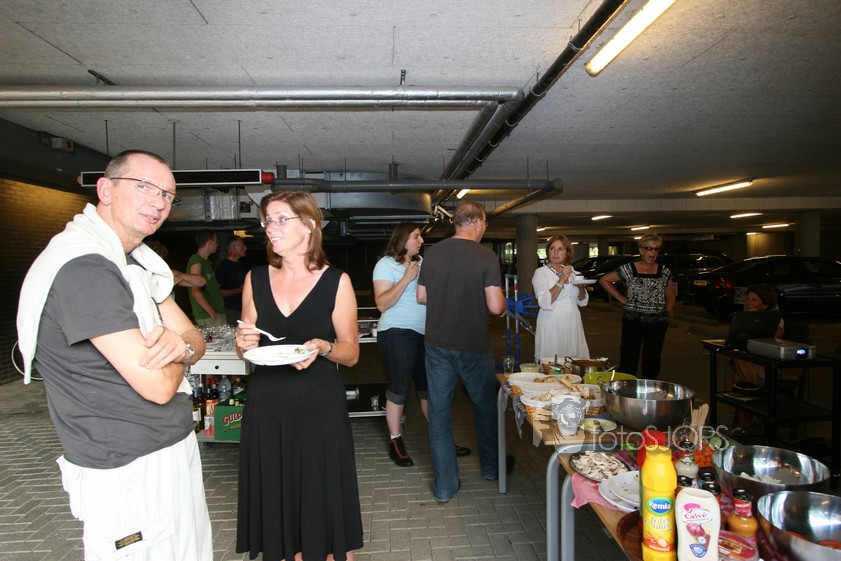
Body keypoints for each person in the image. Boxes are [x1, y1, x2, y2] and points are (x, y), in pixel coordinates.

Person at [16, 150, 212, 560]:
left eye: (167, 195)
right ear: (105, 190)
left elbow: (194, 338)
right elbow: (158, 386)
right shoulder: (85, 268)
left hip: (164, 449)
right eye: (144, 187)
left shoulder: (136, 262)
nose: (159, 202)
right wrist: (181, 351)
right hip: (126, 465)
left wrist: (181, 347)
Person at [234, 190, 363, 561]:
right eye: (267, 221)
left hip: (317, 407)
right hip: (267, 406)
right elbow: (247, 348)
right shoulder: (255, 278)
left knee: (324, 514)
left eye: (280, 220)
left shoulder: (336, 281)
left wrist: (323, 347)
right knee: (278, 507)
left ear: (308, 225)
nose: (269, 228)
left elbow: (352, 353)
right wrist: (243, 343)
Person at [417, 200, 508, 503]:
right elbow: (495, 306)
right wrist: (500, 303)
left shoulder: (432, 253)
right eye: (485, 224)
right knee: (484, 407)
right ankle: (491, 469)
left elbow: (421, 296)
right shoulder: (485, 256)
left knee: (439, 414)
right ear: (478, 222)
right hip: (473, 345)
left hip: (437, 344)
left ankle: (445, 486)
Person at [372, 222, 471, 467]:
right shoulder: (385, 264)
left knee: (430, 389)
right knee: (399, 388)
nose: (421, 241)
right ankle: (396, 442)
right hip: (397, 332)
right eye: (416, 236)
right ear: (403, 239)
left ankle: (443, 440)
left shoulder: (423, 263)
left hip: (426, 334)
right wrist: (407, 278)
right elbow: (382, 304)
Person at [598, 233, 675, 379]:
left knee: (652, 359)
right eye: (648, 248)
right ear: (641, 250)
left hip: (657, 323)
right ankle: (627, 387)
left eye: (656, 249)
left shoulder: (664, 271)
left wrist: (666, 312)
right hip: (633, 321)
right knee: (628, 357)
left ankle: (649, 385)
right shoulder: (629, 269)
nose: (652, 253)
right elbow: (604, 280)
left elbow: (670, 295)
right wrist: (620, 298)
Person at [730, 284, 785, 433]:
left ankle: (744, 424)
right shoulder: (744, 318)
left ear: (765, 304)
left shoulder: (775, 319)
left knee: (738, 378)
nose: (749, 303)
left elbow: (776, 336)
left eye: (754, 300)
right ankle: (749, 416)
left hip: (766, 366)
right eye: (748, 299)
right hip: (748, 365)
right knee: (738, 369)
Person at [532, 235, 590, 360]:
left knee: (573, 360)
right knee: (553, 360)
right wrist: (561, 279)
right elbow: (544, 302)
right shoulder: (541, 273)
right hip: (552, 321)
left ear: (567, 254)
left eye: (560, 249)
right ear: (548, 252)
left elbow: (582, 302)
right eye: (552, 248)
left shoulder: (573, 273)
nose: (555, 252)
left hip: (572, 320)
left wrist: (581, 288)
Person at [187, 230, 226, 327]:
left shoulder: (207, 262)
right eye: (216, 241)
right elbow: (195, 291)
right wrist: (211, 312)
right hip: (208, 316)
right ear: (209, 241)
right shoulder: (196, 261)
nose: (217, 245)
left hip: (215, 313)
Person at [215, 234, 248, 324]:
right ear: (234, 247)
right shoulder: (223, 267)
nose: (245, 248)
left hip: (242, 309)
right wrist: (238, 290)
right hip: (230, 310)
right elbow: (216, 292)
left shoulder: (240, 265)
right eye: (242, 245)